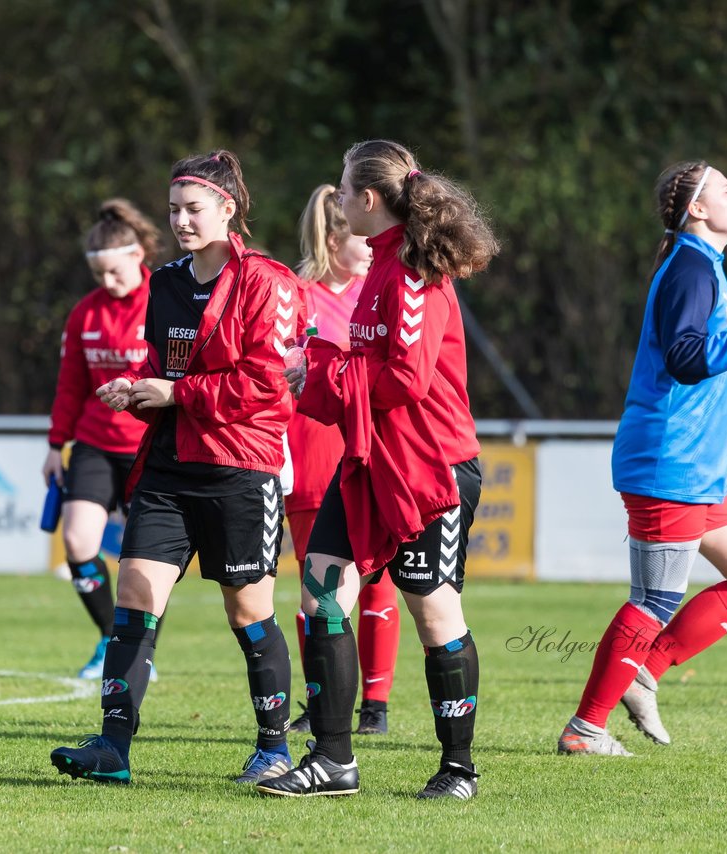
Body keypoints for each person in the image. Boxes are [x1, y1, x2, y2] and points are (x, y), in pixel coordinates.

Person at [257, 140, 499, 800]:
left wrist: (327, 373)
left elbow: (407, 379)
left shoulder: (411, 276)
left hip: (430, 467)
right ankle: (333, 758)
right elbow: (371, 368)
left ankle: (458, 769)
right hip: (371, 459)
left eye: (342, 189)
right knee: (322, 591)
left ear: (369, 199)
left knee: (432, 610)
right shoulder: (381, 271)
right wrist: (323, 367)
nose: (336, 200)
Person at [50, 150, 300, 786]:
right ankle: (113, 748)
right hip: (167, 466)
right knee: (134, 593)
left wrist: (171, 392)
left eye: (194, 209)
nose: (182, 220)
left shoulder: (268, 282)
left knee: (248, 612)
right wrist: (136, 388)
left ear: (228, 208)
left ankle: (273, 749)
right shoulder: (164, 284)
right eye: (173, 210)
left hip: (239, 467)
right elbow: (167, 372)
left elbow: (267, 386)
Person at [557, 160, 727, 756]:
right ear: (698, 210)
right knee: (655, 600)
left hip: (699, 466)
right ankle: (586, 729)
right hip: (670, 461)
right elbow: (687, 358)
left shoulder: (703, 263)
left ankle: (645, 671)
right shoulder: (690, 265)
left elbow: (692, 355)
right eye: (724, 188)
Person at [281, 185, 400, 738]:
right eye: (359, 236)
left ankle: (375, 705)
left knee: (377, 583)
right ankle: (323, 702)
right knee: (317, 587)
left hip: (363, 450)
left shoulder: (374, 293)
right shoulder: (296, 296)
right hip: (308, 455)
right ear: (334, 239)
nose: (370, 245)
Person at [44, 199, 162, 680]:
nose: (108, 284)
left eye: (115, 272)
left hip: (151, 444)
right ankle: (112, 638)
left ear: (137, 257)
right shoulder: (85, 314)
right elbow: (71, 383)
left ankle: (139, 654)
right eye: (100, 276)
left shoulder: (166, 299)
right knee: (77, 542)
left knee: (149, 558)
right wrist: (56, 445)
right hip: (94, 442)